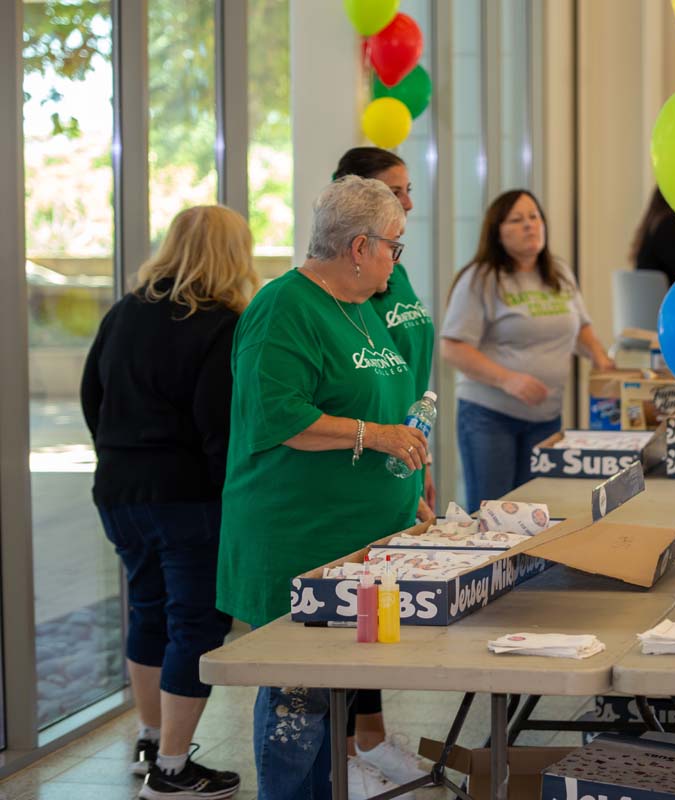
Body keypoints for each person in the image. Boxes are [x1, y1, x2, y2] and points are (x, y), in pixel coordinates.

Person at [216, 176, 430, 799]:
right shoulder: (283, 308)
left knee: (329, 707)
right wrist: (380, 436)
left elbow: (385, 403)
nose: (398, 259)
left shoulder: (362, 304)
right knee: (296, 701)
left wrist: (405, 486)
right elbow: (276, 416)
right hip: (299, 539)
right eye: (395, 245)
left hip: (362, 538)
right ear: (359, 247)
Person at [81, 205, 259, 799]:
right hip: (186, 498)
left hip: (119, 490)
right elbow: (218, 428)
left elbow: (92, 397)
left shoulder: (124, 312)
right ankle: (175, 770)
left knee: (149, 610)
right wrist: (232, 497)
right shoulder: (223, 324)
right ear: (233, 254)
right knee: (196, 623)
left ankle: (150, 739)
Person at [330, 148, 435, 793]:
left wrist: (419, 458)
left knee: (374, 617)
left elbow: (410, 376)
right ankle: (344, 756)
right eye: (395, 192)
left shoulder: (395, 270)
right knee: (345, 628)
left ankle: (370, 739)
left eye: (408, 189)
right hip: (360, 467)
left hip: (401, 453)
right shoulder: (349, 284)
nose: (409, 204)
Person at [442, 189, 615, 512]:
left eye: (534, 217)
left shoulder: (558, 273)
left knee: (535, 514)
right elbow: (453, 348)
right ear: (497, 231)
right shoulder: (480, 279)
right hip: (490, 418)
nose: (529, 226)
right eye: (517, 220)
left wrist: (601, 359)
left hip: (546, 418)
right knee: (493, 516)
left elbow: (581, 327)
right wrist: (508, 380)